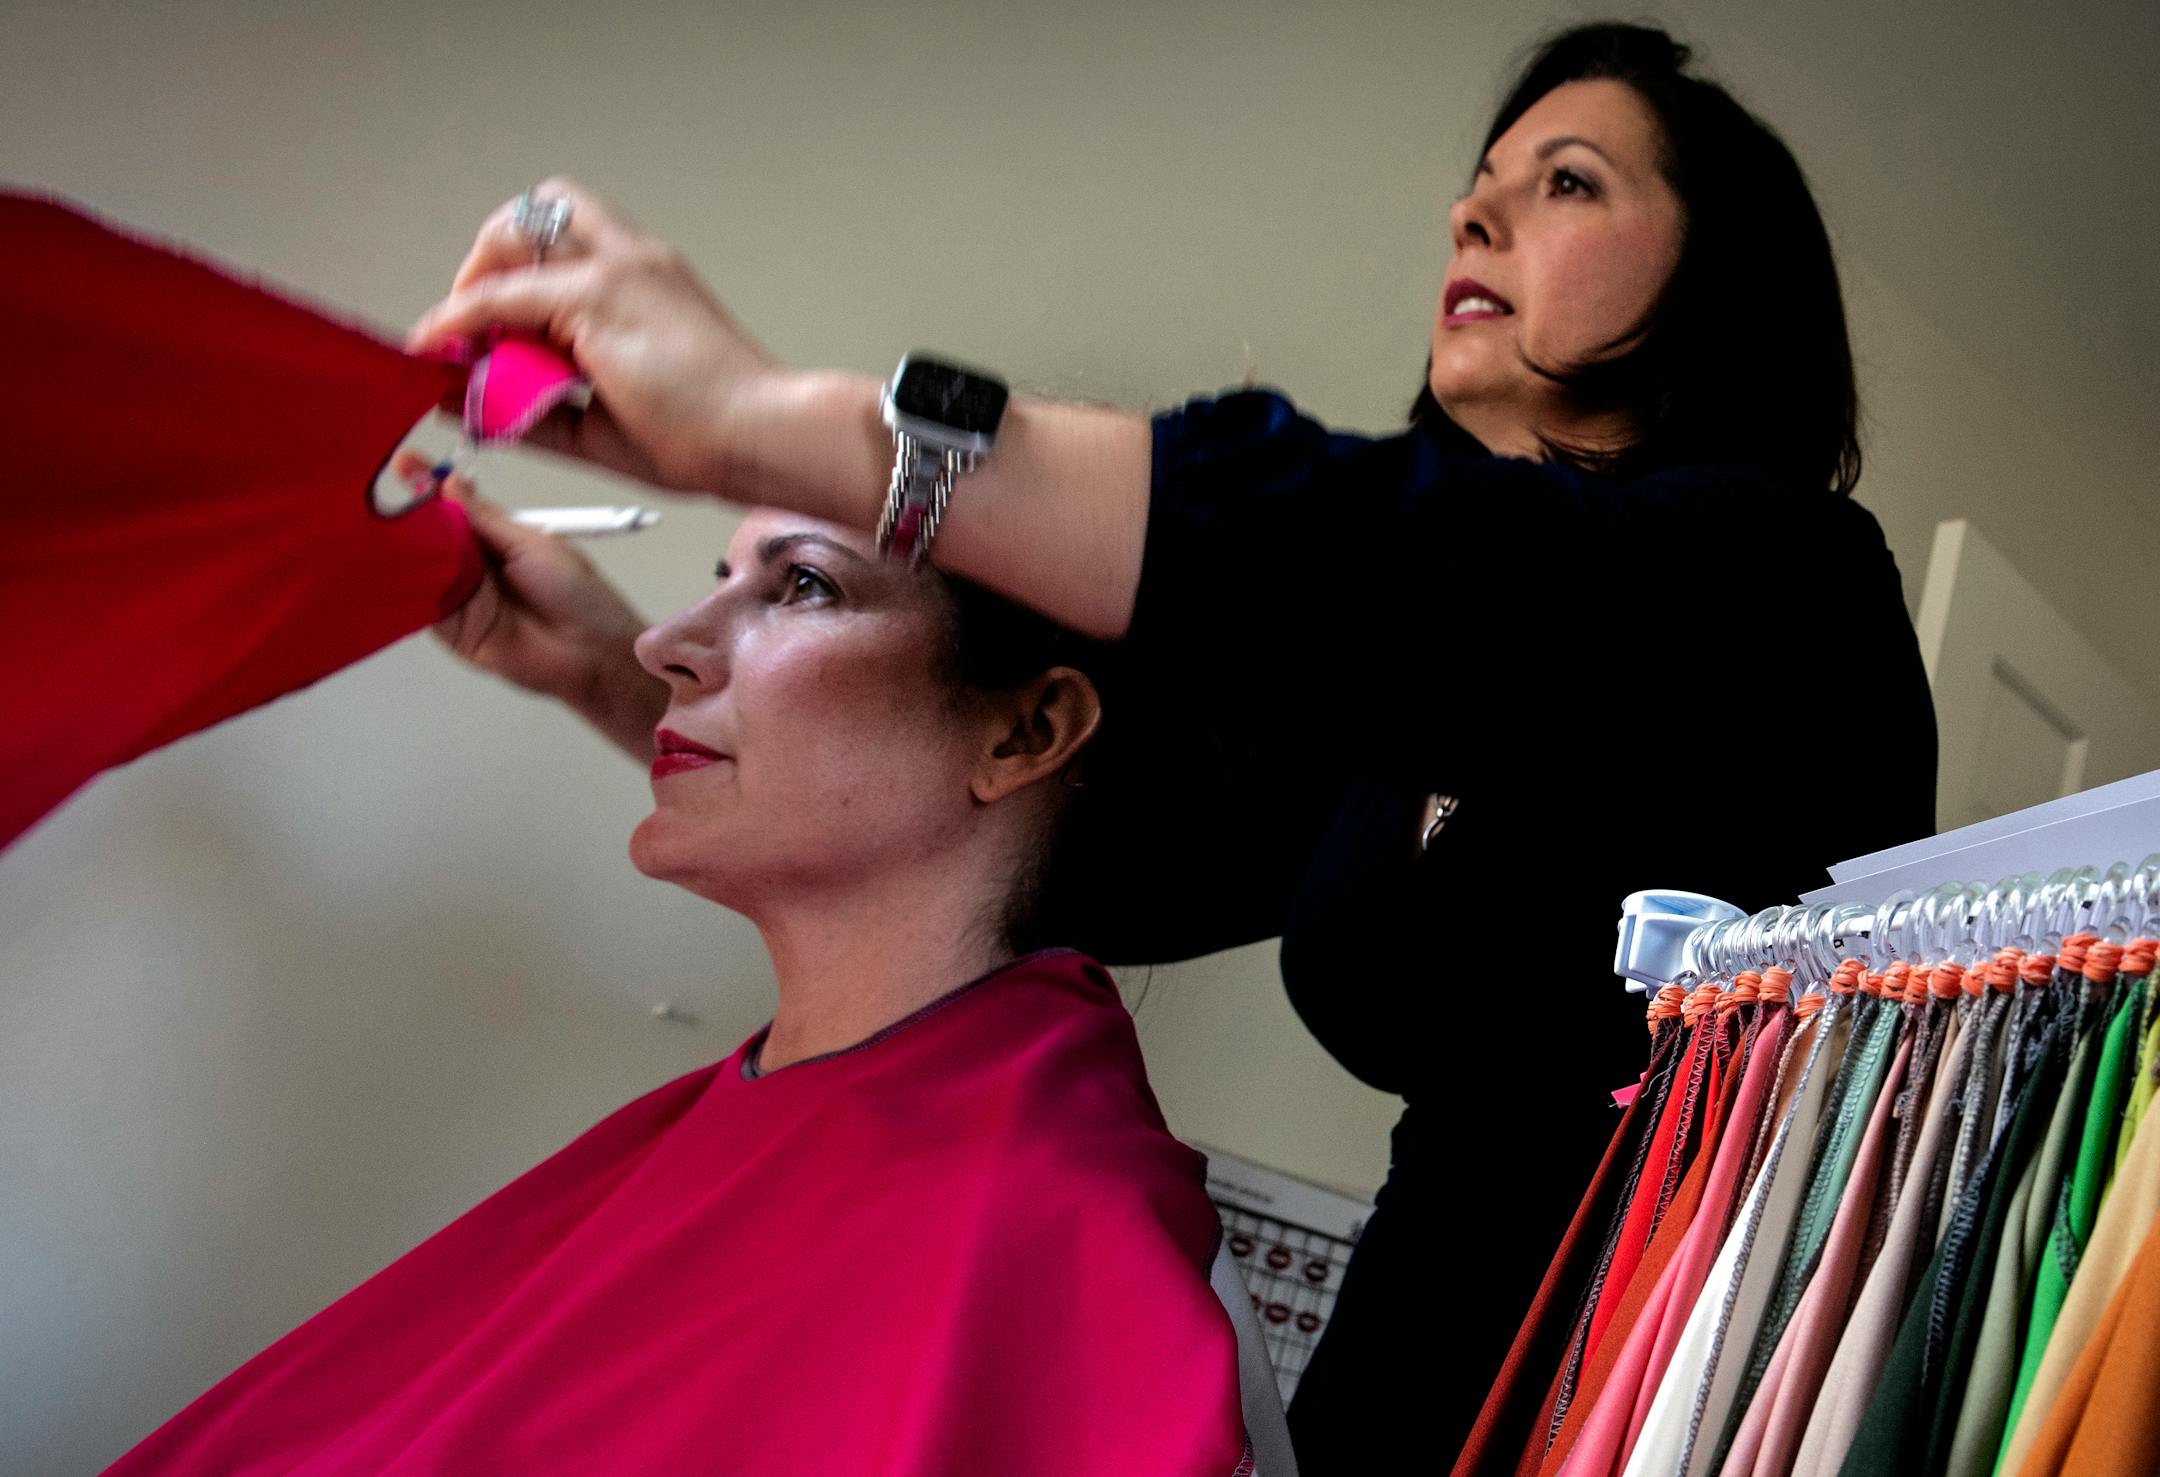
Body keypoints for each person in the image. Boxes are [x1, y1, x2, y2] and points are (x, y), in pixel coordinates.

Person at [405, 23, 1939, 1470]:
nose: (1474, 223)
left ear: (1721, 275)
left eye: (1565, 185)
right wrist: (614, 671)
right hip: (1405, 1387)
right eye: (1475, 194)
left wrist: (781, 420)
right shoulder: (1404, 695)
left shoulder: (1786, 585)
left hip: (1675, 1399)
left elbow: (1358, 553)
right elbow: (1069, 856)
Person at [100, 501, 1266, 1476]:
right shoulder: (780, 1106)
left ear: (1027, 730)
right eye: (719, 578)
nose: (665, 641)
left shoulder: (1058, 1246)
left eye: (802, 585)